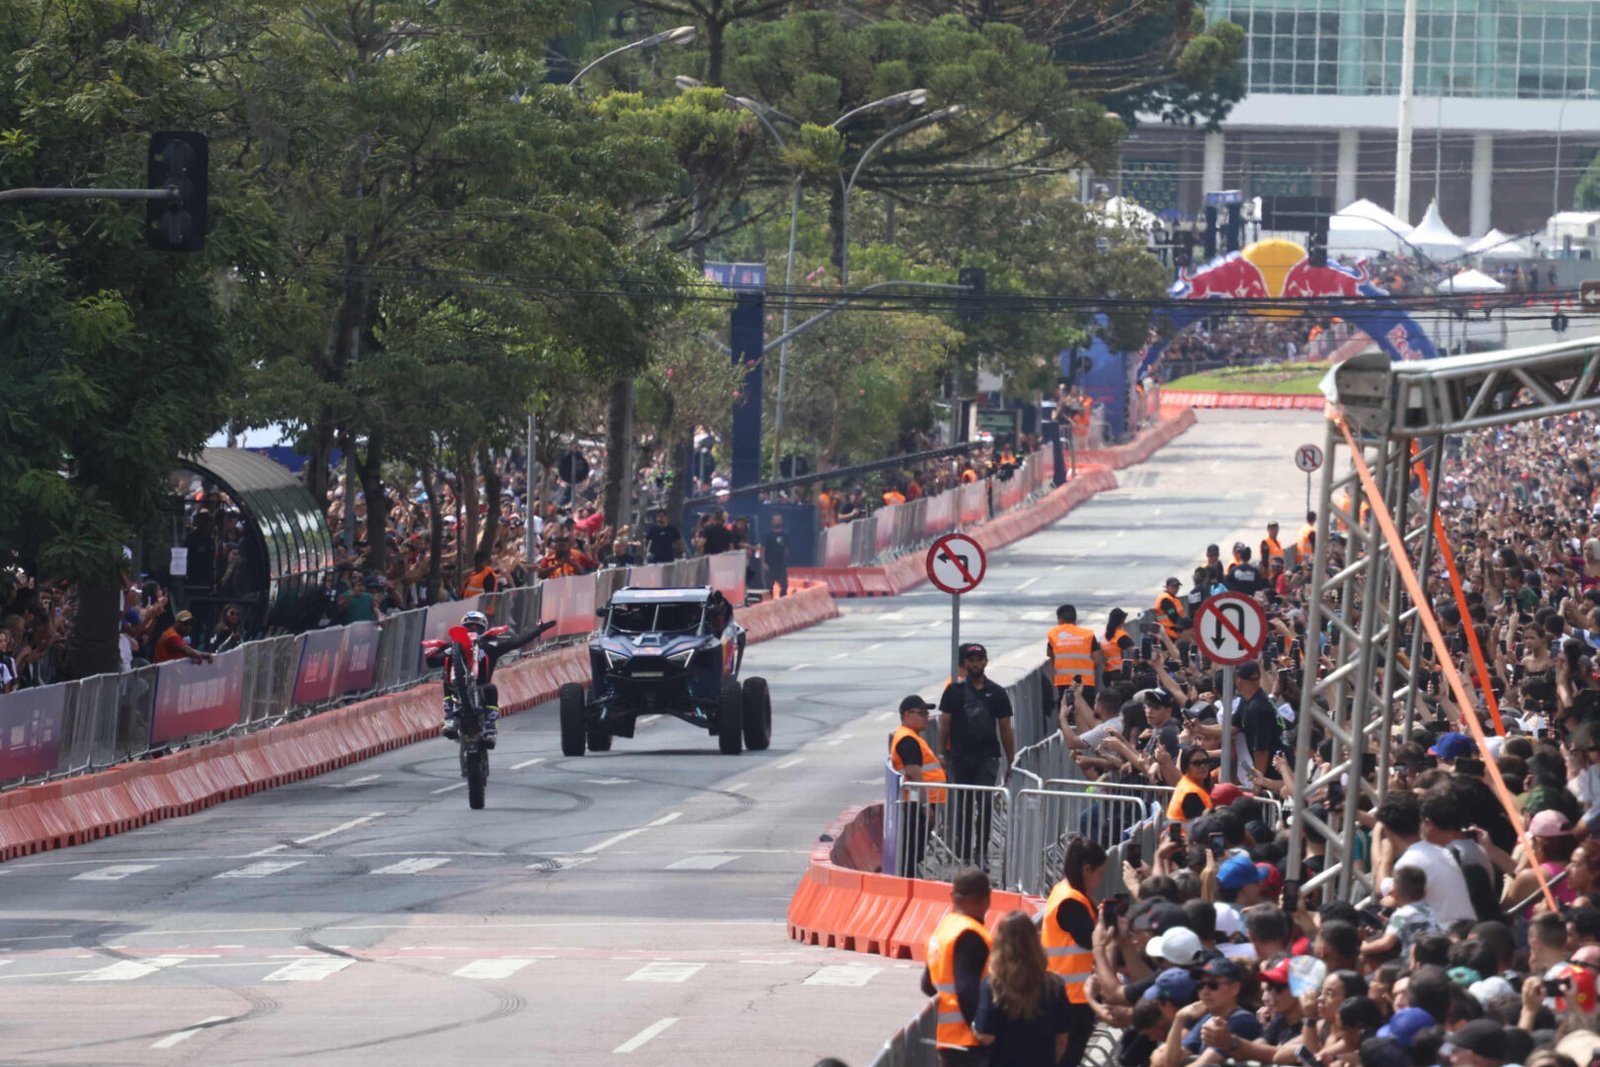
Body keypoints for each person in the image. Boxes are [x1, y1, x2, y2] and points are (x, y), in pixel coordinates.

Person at [938, 643, 1017, 869]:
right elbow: (944, 725)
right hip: (960, 758)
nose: (975, 664)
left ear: (985, 661)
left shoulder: (997, 693)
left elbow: (1005, 729)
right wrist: (941, 754)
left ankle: (981, 850)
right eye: (971, 660)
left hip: (987, 758)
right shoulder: (953, 692)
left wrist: (1011, 760)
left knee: (984, 803)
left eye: (979, 659)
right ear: (965, 663)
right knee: (963, 805)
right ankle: (963, 852)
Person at [425, 610, 555, 746]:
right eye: (468, 627)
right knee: (446, 683)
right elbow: (432, 662)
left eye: (477, 627)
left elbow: (518, 641)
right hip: (458, 688)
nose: (472, 631)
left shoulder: (491, 644)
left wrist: (538, 629)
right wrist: (431, 652)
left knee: (491, 689)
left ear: (484, 629)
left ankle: (490, 728)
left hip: (482, 688)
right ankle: (449, 719)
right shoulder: (453, 647)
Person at [973, 912, 1073, 1067]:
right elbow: (1062, 1038)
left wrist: (973, 1028)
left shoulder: (992, 986)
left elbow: (986, 1036)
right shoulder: (1055, 986)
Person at [1040, 837, 1106, 1066]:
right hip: (1073, 998)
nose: (1100, 880)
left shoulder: (1066, 891)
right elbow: (1092, 940)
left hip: (1069, 994)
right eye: (1100, 873)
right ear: (1087, 870)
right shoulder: (1071, 901)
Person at [921, 867, 994, 1066]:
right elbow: (966, 990)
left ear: (953, 897)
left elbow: (927, 985)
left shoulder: (943, 930)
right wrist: (984, 1028)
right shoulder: (971, 935)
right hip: (970, 1042)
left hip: (948, 1039)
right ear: (986, 898)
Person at [891, 694, 947, 872]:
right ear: (907, 715)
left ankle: (909, 879)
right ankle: (907, 883)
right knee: (912, 850)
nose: (927, 717)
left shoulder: (911, 737)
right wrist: (924, 806)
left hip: (919, 801)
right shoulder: (908, 739)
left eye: (927, 713)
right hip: (916, 803)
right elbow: (913, 773)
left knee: (915, 850)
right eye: (921, 713)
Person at [1046, 605, 1100, 701]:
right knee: (1086, 713)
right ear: (1075, 618)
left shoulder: (1054, 633)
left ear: (1060, 619)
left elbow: (1050, 654)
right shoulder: (1088, 634)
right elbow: (1096, 660)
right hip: (1086, 683)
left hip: (1064, 683)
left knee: (1067, 713)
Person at [1165, 746, 1214, 832]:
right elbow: (1201, 828)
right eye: (1196, 763)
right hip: (1185, 841)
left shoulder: (1192, 784)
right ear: (1186, 767)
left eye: (1205, 761)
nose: (1203, 766)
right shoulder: (1190, 793)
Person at [761, 515, 790, 598]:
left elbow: (786, 550)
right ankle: (769, 602)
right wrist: (763, 563)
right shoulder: (767, 535)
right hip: (769, 565)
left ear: (781, 522)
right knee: (769, 586)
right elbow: (762, 549)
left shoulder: (785, 535)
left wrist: (784, 561)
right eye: (775, 520)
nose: (777, 521)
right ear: (772, 521)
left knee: (784, 585)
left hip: (780, 565)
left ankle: (782, 601)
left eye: (778, 520)